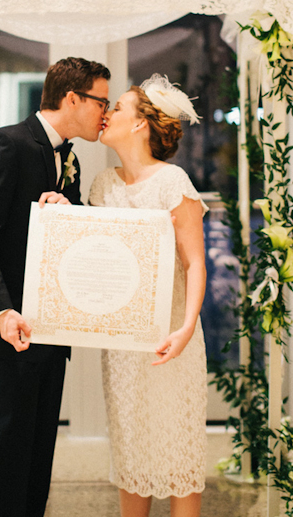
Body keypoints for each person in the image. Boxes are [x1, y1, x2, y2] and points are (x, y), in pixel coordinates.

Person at [0, 56, 110, 517]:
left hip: (47, 329)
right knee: (4, 449)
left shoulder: (67, 155)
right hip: (6, 328)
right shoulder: (6, 144)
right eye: (102, 101)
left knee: (37, 449)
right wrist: (1, 312)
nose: (107, 112)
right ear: (72, 98)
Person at [89, 74, 207, 517]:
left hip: (170, 335)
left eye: (117, 108)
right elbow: (96, 254)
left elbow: (195, 263)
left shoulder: (172, 181)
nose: (107, 114)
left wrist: (185, 329)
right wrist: (63, 214)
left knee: (178, 453)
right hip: (123, 344)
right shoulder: (103, 184)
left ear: (140, 124)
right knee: (132, 450)